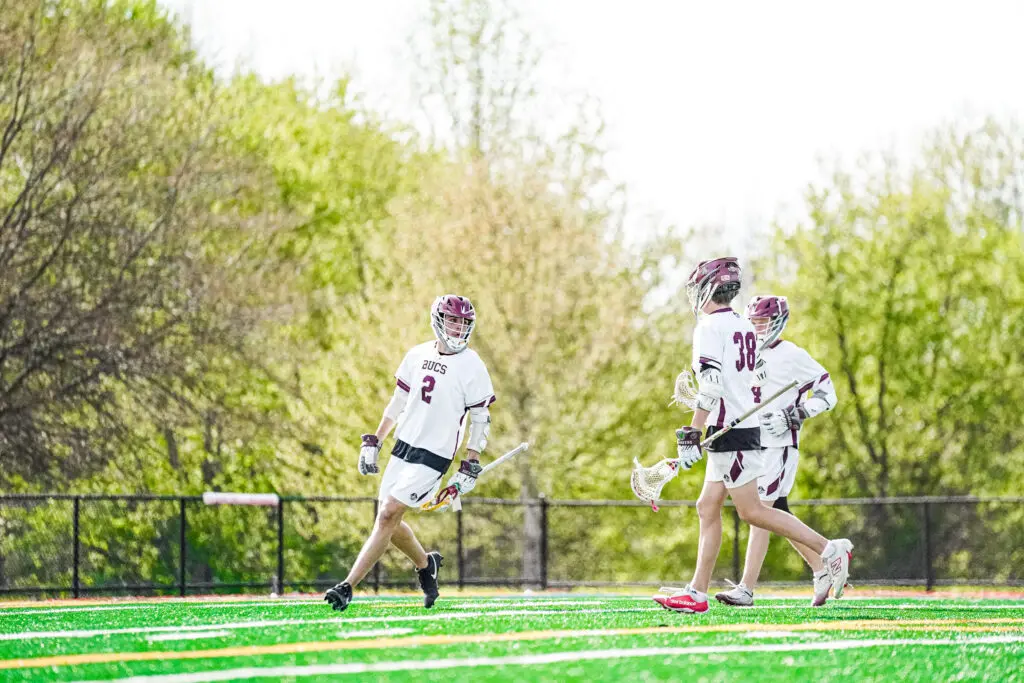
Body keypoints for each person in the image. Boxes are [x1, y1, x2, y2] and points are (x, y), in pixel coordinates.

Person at [653, 258, 853, 614]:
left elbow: (712, 384)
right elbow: (745, 377)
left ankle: (828, 550)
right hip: (733, 426)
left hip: (731, 430)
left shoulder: (709, 327)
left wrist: (692, 431)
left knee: (753, 511)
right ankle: (696, 591)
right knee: (707, 506)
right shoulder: (743, 325)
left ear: (707, 288)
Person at [324, 294, 496, 612]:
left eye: (463, 322)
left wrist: (470, 461)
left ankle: (347, 586)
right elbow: (398, 403)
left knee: (388, 513)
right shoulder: (416, 355)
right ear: (438, 321)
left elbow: (480, 419)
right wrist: (374, 440)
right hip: (403, 448)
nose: (458, 327)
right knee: (388, 521)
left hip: (434, 455)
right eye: (453, 320)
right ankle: (425, 564)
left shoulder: (472, 365)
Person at [714, 295, 840, 608]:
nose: (757, 329)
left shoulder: (792, 355)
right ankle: (822, 566)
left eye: (763, 323)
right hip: (749, 443)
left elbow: (827, 393)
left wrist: (793, 415)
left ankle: (746, 588)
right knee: (776, 515)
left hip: (778, 445)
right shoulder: (741, 355)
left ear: (778, 322)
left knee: (759, 514)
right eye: (753, 322)